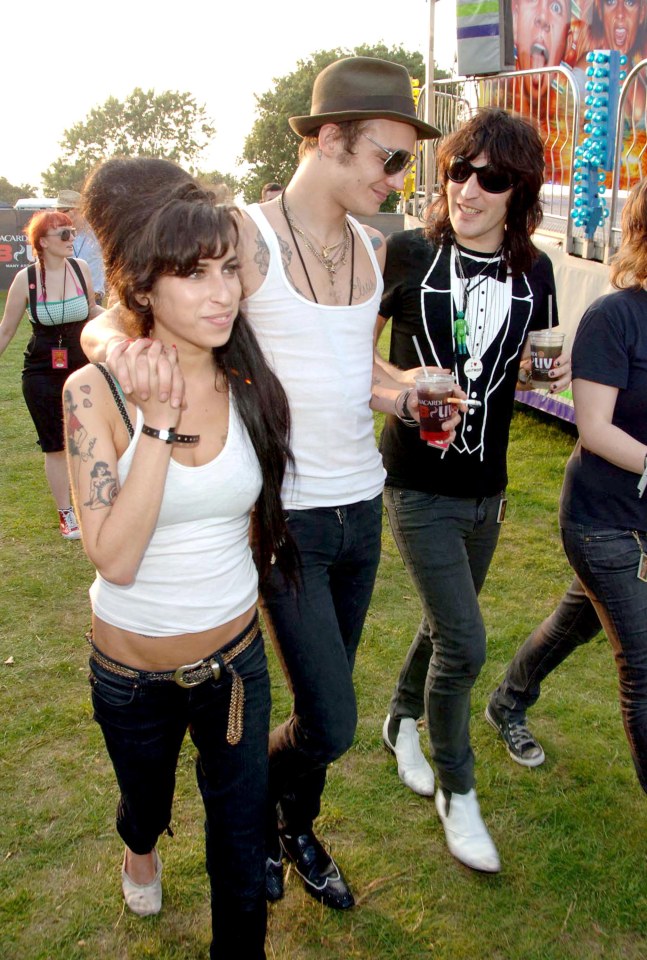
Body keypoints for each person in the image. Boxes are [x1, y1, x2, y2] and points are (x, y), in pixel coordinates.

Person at [80, 56, 453, 910]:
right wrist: (114, 352)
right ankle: (259, 809)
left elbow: (349, 368)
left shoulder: (368, 245)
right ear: (328, 140)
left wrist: (407, 389)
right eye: (388, 159)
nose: (401, 180)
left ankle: (294, 821)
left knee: (328, 714)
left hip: (364, 507)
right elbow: (124, 313)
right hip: (286, 523)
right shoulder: (242, 238)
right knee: (333, 718)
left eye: (404, 162)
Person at [66, 157, 297, 959]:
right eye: (194, 275)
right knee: (146, 798)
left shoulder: (246, 373)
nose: (223, 291)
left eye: (227, 269)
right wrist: (159, 426)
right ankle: (138, 841)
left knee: (241, 848)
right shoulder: (94, 393)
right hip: (132, 679)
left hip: (235, 666)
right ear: (142, 287)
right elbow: (114, 557)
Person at [378, 108, 572, 874]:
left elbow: (533, 363)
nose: (467, 188)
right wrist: (405, 384)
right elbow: (350, 359)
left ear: (518, 190)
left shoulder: (536, 271)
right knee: (464, 640)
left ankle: (399, 720)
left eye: (490, 178)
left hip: (487, 486)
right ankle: (458, 793)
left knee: (437, 625)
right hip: (416, 481)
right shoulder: (407, 254)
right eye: (460, 169)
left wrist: (537, 373)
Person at [557, 176, 647, 796]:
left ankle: (509, 698)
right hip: (603, 519)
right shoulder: (614, 316)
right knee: (643, 664)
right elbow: (594, 429)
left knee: (577, 621)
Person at [0, 209, 102, 538]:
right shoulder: (25, 280)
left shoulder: (80, 268)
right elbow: (5, 331)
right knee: (55, 444)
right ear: (42, 242)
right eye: (64, 235)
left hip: (81, 365)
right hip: (43, 369)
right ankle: (66, 514)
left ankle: (91, 505)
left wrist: (123, 317)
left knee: (89, 439)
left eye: (72, 232)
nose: (72, 239)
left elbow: (90, 310)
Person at [486, 577, 602, 766]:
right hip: (616, 553)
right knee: (577, 620)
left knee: (580, 619)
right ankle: (508, 702)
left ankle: (509, 700)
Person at [56, 189, 106, 303]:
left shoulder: (99, 232)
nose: (58, 216)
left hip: (93, 297)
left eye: (62, 211)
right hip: (66, 298)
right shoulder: (56, 233)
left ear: (75, 210)